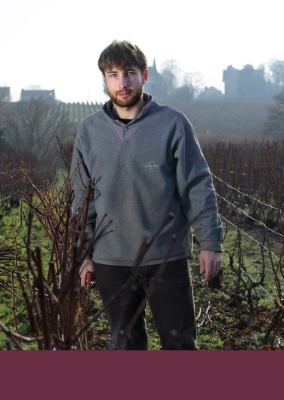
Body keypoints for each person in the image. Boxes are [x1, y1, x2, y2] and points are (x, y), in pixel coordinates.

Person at [70, 40, 223, 350]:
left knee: (179, 345)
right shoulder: (89, 131)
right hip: (111, 261)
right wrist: (83, 254)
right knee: (126, 348)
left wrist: (210, 243)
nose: (122, 82)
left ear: (144, 75)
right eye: (113, 74)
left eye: (129, 73)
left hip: (167, 257)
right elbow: (81, 197)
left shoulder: (172, 124)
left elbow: (197, 185)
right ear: (103, 79)